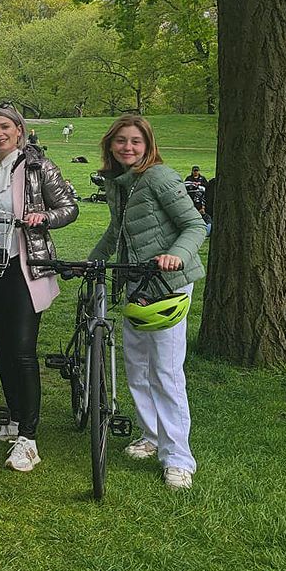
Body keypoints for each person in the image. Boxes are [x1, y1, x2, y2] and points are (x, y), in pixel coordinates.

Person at [89, 115, 206, 491]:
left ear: (148, 144)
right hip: (135, 283)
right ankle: (151, 436)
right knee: (136, 367)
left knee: (166, 371)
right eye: (120, 140)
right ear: (110, 144)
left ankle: (178, 458)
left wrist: (176, 255)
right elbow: (117, 229)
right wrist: (93, 261)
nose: (127, 147)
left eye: (135, 141)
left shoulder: (160, 177)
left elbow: (195, 226)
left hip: (167, 283)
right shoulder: (118, 182)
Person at [0, 103, 78, 472]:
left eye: (4, 127)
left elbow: (69, 207)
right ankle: (14, 418)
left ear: (18, 129)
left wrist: (42, 217)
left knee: (22, 349)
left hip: (24, 265)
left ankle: (28, 437)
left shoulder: (37, 166)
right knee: (2, 347)